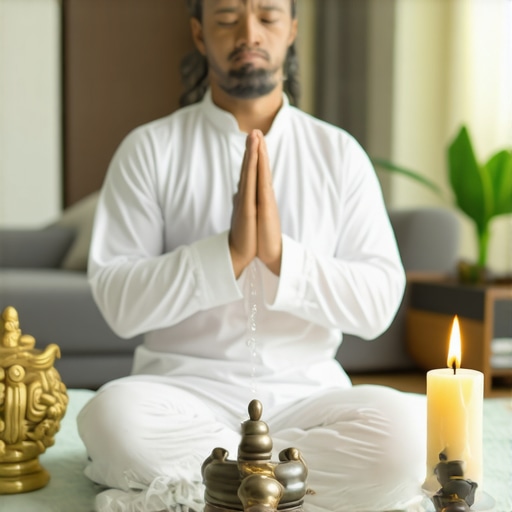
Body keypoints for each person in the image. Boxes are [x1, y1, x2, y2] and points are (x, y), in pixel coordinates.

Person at [77, 1, 427, 511]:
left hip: (308, 396)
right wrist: (228, 255)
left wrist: (282, 257)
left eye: (267, 16)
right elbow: (118, 302)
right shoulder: (150, 149)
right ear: (199, 34)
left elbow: (377, 305)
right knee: (112, 419)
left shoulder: (339, 154)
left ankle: (217, 486)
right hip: (183, 392)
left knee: (405, 437)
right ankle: (286, 486)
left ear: (292, 31)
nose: (249, 33)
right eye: (226, 18)